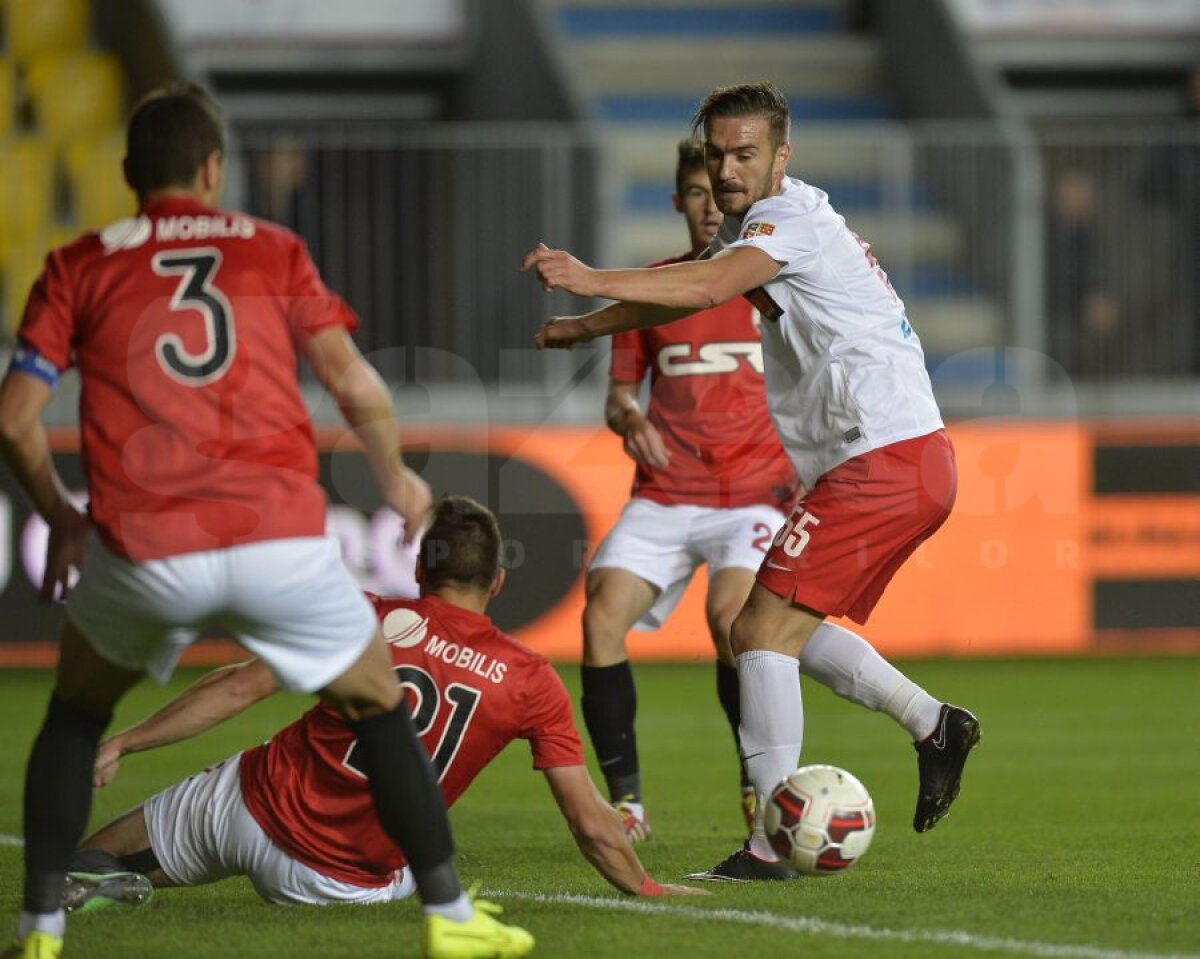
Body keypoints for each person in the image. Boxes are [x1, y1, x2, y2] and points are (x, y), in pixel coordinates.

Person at [0, 83, 530, 959]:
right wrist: (396, 474)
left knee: (71, 719)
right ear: (214, 169)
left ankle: (41, 928)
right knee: (379, 706)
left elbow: (17, 417)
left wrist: (61, 514)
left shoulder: (78, 261)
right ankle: (449, 917)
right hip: (276, 537)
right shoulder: (271, 249)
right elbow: (355, 382)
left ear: (129, 174)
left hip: (144, 544)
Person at [523, 81, 980, 881]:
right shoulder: (759, 227)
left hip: (884, 453)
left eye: (745, 154)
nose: (728, 170)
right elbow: (682, 299)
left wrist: (588, 277)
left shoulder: (784, 221)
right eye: (717, 154)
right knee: (772, 628)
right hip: (888, 457)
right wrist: (587, 327)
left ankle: (775, 838)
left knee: (758, 632)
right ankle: (934, 723)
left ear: (780, 157)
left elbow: (701, 289)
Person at [61, 496, 702, 915]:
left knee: (83, 864)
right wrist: (644, 887)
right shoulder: (531, 680)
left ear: (419, 571)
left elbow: (236, 686)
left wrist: (123, 742)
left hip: (243, 809)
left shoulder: (360, 615)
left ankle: (104, 886)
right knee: (427, 873)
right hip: (345, 882)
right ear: (498, 583)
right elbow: (591, 823)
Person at [582, 139, 797, 840]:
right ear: (678, 202)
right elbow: (618, 394)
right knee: (600, 616)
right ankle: (627, 804)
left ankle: (754, 777)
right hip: (667, 492)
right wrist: (630, 418)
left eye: (719, 191)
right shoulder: (653, 288)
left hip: (755, 494)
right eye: (696, 194)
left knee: (732, 619)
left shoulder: (771, 284)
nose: (710, 205)